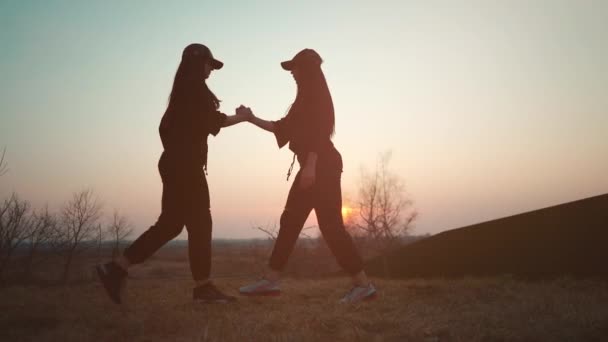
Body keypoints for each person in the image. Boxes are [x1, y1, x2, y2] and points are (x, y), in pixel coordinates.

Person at [96, 43, 248, 304]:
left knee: (170, 225)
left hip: (173, 164)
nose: (211, 69)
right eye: (209, 64)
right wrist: (241, 117)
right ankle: (203, 288)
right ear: (197, 62)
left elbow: (165, 129)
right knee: (200, 224)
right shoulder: (195, 90)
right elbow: (214, 122)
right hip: (186, 167)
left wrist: (176, 150)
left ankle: (117, 268)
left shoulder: (180, 93)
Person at [238, 49, 377, 303]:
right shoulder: (302, 99)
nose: (292, 72)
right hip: (314, 165)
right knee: (290, 221)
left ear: (307, 69)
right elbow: (281, 127)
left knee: (331, 226)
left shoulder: (316, 96)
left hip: (321, 165)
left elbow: (320, 132)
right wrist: (250, 118)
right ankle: (270, 280)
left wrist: (311, 165)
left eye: (295, 67)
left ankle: (363, 285)